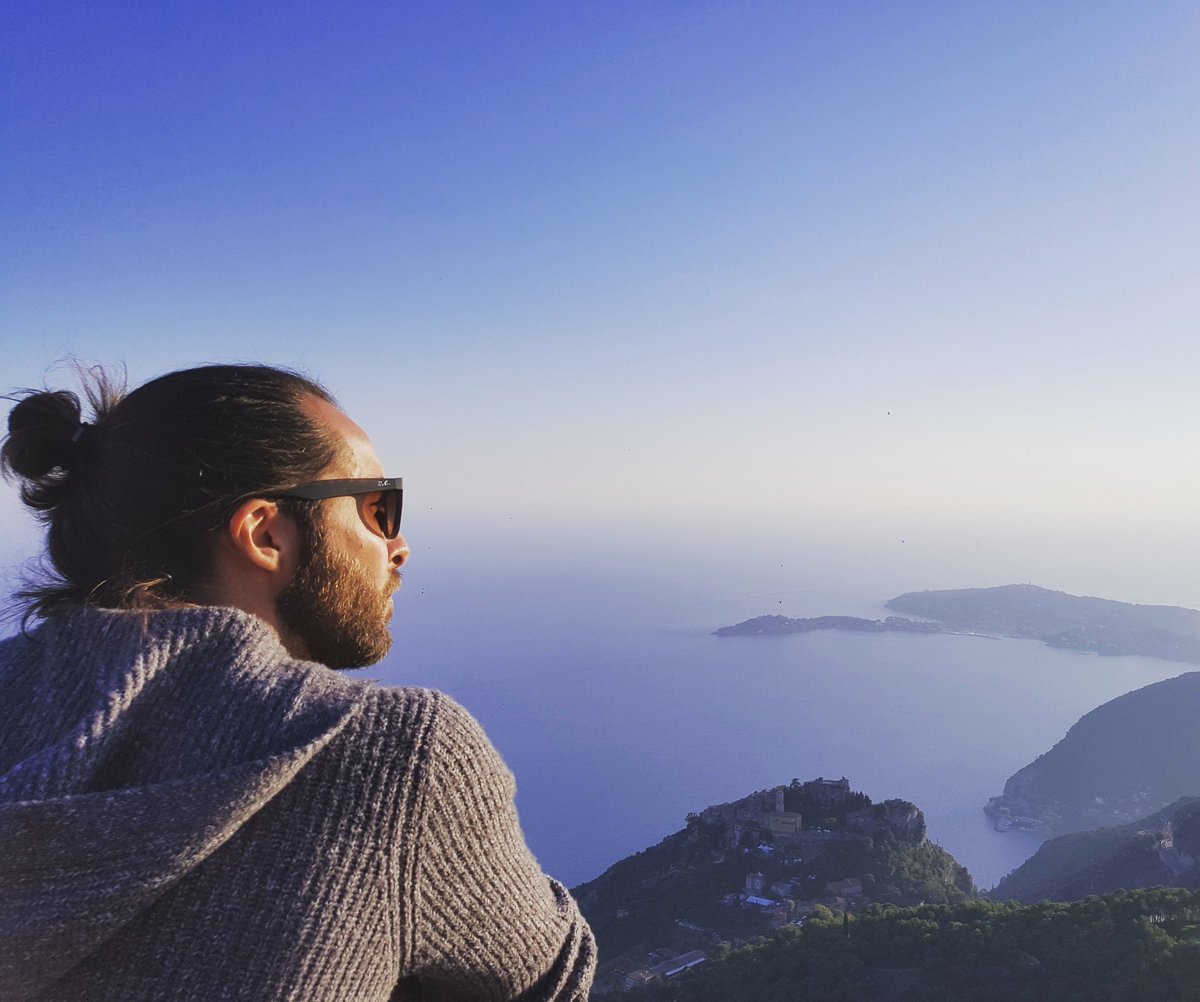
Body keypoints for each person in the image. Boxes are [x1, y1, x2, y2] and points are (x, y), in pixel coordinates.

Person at [0, 364, 595, 1002]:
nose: (399, 547)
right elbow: (549, 982)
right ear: (265, 534)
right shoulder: (392, 758)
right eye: (378, 508)